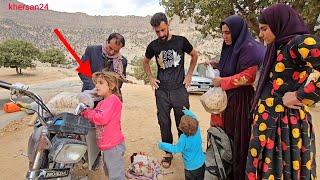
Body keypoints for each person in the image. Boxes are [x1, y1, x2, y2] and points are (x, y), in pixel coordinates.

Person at [246, 4, 319, 180]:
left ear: (279, 24)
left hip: (285, 124)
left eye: (264, 29)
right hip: (267, 122)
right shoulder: (276, 48)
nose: (261, 34)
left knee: (281, 170)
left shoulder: (298, 43)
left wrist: (298, 96)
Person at [206, 15, 265, 179]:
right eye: (222, 33)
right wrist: (216, 64)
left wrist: (223, 81)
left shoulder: (249, 48)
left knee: (238, 138)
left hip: (241, 102)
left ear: (237, 31)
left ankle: (238, 174)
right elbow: (232, 65)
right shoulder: (231, 47)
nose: (224, 36)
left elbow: (249, 75)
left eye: (227, 33)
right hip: (228, 100)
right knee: (225, 137)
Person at [143, 12, 198, 168]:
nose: (160, 34)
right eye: (157, 31)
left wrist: (189, 75)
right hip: (162, 91)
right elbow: (145, 62)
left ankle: (186, 149)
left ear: (168, 25)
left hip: (179, 89)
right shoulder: (153, 45)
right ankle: (168, 153)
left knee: (184, 121)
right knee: (164, 122)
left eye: (163, 29)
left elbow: (194, 55)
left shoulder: (181, 41)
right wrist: (150, 78)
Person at [80, 71, 125, 180]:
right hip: (106, 146)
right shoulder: (101, 103)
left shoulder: (113, 100)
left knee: (116, 175)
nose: (96, 86)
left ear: (112, 85)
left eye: (100, 83)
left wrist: (86, 112)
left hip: (113, 145)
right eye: (96, 83)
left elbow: (102, 118)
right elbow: (94, 119)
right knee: (109, 172)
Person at [158, 108, 205, 180]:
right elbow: (194, 117)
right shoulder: (197, 130)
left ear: (181, 128)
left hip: (190, 168)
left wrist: (162, 145)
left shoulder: (183, 138)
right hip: (201, 163)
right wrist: (188, 112)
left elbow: (176, 149)